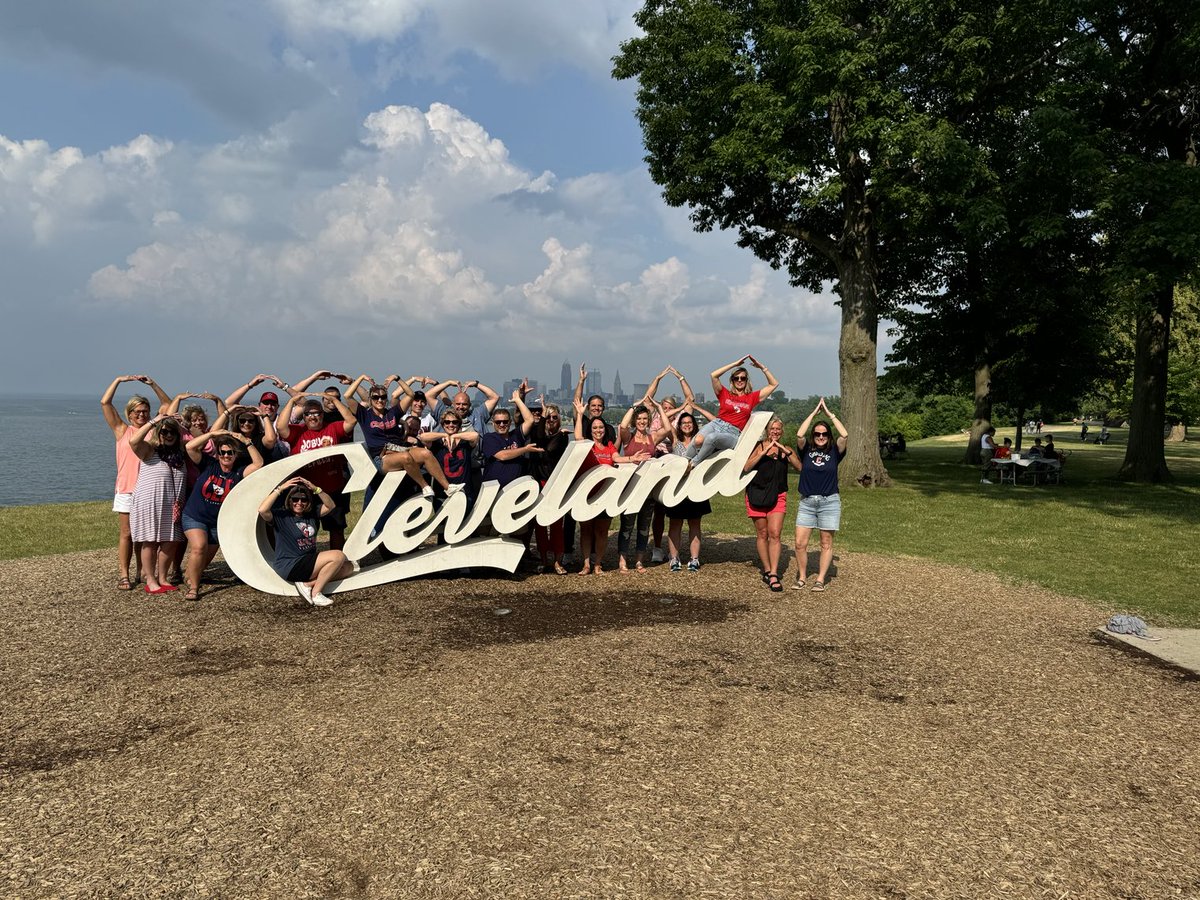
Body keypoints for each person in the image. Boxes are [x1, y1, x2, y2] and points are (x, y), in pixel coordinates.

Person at [101, 374, 171, 591]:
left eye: (144, 411)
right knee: (127, 533)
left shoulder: (154, 429)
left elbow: (168, 405)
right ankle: (124, 574)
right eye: (137, 412)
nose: (141, 415)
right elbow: (105, 403)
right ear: (129, 414)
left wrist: (152, 384)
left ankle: (142, 570)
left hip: (148, 489)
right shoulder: (122, 430)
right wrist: (118, 381)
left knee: (144, 533)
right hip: (127, 488)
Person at [181, 429, 264, 600]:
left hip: (217, 522)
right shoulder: (208, 464)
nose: (226, 456)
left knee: (203, 560)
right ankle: (194, 588)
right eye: (222, 452)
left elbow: (258, 463)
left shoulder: (239, 472)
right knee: (199, 547)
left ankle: (190, 576)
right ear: (217, 454)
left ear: (235, 454)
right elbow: (190, 447)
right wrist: (212, 435)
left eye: (230, 453)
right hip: (195, 516)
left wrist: (245, 440)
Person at [257, 477, 356, 607]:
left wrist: (316, 489)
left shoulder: (311, 514)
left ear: (308, 501)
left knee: (348, 568)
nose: (299, 503)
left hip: (307, 561)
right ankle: (316, 593)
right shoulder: (281, 516)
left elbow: (330, 505)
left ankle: (307, 584)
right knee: (338, 556)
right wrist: (280, 489)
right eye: (295, 499)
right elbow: (262, 510)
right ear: (289, 500)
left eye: (303, 499)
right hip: (290, 564)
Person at [276, 393, 357, 551]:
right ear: (304, 417)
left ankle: (338, 559)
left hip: (333, 488)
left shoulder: (332, 427)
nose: (313, 417)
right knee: (304, 529)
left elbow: (352, 421)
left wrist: (333, 400)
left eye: (317, 413)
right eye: (308, 414)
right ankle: (306, 560)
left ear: (322, 414)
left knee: (336, 528)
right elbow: (280, 427)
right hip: (306, 492)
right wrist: (292, 401)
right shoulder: (297, 432)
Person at [128, 414, 188, 594]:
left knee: (171, 541)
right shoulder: (150, 450)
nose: (168, 435)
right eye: (164, 432)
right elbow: (133, 441)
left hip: (173, 504)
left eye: (172, 432)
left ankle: (163, 577)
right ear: (158, 433)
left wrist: (184, 425)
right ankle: (151, 580)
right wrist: (153, 422)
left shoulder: (181, 453)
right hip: (150, 502)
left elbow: (200, 442)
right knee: (151, 541)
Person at [793, 398, 848, 592]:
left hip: (829, 502)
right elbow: (800, 434)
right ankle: (801, 577)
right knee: (800, 543)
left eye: (824, 434)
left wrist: (830, 415)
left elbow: (844, 434)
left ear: (828, 436)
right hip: (807, 502)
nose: (821, 436)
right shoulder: (806, 450)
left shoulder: (835, 451)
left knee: (826, 543)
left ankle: (820, 579)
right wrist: (813, 414)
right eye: (817, 434)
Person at [743, 417, 801, 592]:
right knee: (762, 533)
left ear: (782, 432)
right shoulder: (758, 447)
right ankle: (767, 569)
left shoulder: (786, 450)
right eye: (772, 429)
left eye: (778, 429)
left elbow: (800, 467)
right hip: (756, 494)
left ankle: (774, 573)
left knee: (775, 533)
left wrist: (785, 451)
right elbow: (746, 467)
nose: (775, 432)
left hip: (778, 495)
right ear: (767, 430)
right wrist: (764, 451)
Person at [687, 355, 779, 465]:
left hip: (733, 433)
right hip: (717, 424)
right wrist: (735, 364)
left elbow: (774, 384)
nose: (739, 380)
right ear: (732, 380)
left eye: (743, 378)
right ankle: (683, 461)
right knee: (698, 440)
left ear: (746, 380)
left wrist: (762, 368)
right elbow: (714, 375)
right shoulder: (724, 393)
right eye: (736, 378)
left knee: (712, 438)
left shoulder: (752, 397)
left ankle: (692, 465)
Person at [661, 407, 712, 572]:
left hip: (697, 487)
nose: (687, 425)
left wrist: (697, 407)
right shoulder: (674, 440)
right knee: (675, 523)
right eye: (683, 423)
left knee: (695, 523)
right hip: (677, 488)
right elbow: (666, 424)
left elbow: (714, 422)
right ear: (679, 425)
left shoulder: (701, 441)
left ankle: (694, 559)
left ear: (694, 424)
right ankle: (674, 558)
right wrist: (680, 408)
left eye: (690, 422)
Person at [615, 403, 663, 573]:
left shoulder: (652, 438)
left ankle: (639, 561)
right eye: (639, 419)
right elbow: (622, 426)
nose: (642, 422)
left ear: (648, 420)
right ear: (635, 421)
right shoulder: (629, 437)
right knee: (627, 527)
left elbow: (667, 428)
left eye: (645, 419)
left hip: (648, 491)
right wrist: (633, 408)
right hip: (630, 488)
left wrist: (659, 408)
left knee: (644, 527)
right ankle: (622, 560)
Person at [527, 402, 570, 573]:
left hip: (555, 484)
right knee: (540, 524)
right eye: (548, 417)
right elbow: (540, 439)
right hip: (540, 482)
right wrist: (543, 416)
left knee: (557, 523)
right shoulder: (537, 434)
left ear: (559, 420)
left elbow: (550, 448)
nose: (551, 420)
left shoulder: (563, 436)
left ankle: (557, 561)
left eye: (554, 417)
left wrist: (559, 434)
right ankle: (544, 559)